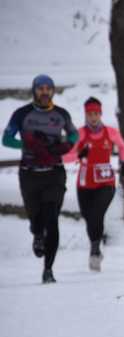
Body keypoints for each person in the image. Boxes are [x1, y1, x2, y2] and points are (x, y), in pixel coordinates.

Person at [2, 74, 79, 283]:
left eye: (48, 88)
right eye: (40, 88)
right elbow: (6, 139)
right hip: (29, 174)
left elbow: (74, 135)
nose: (44, 92)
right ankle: (37, 233)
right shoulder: (22, 114)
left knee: (52, 219)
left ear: (52, 91)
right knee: (36, 217)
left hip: (54, 173)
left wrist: (64, 145)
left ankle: (48, 269)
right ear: (34, 90)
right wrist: (26, 145)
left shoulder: (61, 114)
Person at [63, 97, 124, 272]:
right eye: (90, 114)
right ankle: (96, 247)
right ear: (86, 115)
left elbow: (122, 146)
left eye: (96, 113)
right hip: (84, 184)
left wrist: (123, 163)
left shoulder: (110, 132)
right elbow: (66, 156)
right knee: (88, 217)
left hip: (106, 182)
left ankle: (94, 251)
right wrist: (79, 154)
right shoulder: (81, 134)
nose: (93, 117)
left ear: (100, 114)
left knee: (96, 214)